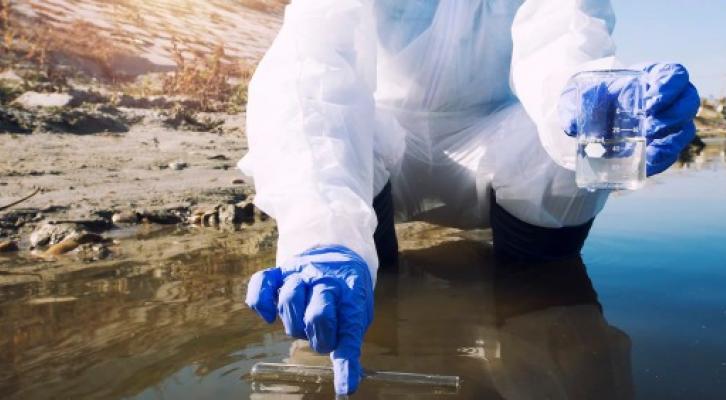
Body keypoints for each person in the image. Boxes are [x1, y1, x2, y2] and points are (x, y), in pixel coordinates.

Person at [241, 0, 699, 395]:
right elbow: (313, 68)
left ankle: (539, 316)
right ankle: (350, 271)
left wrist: (594, 101)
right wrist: (321, 233)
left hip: (499, 134)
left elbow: (564, 39)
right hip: (381, 136)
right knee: (326, 143)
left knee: (569, 157)